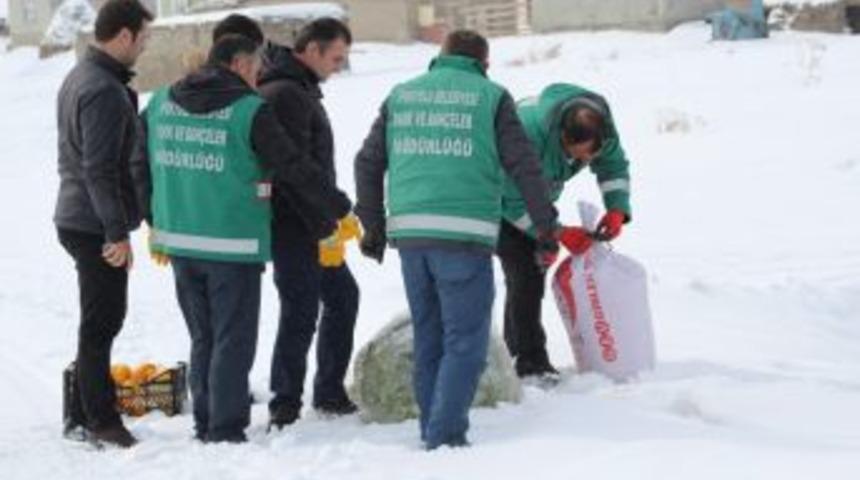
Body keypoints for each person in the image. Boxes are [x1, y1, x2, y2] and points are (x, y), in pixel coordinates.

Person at [353, 30, 558, 449]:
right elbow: (525, 166)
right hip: (463, 237)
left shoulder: (402, 95)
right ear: (483, 64)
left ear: (440, 58)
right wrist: (545, 229)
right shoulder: (490, 97)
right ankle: (444, 438)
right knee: (465, 342)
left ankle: (433, 429)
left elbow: (367, 160)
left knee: (429, 336)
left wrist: (372, 224)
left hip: (411, 236)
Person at [139, 34, 348, 443]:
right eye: (255, 67)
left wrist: (156, 220)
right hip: (232, 245)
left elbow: (137, 167)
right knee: (232, 339)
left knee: (204, 337)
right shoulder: (249, 111)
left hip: (181, 243)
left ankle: (206, 420)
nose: (258, 75)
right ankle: (225, 428)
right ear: (237, 64)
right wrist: (337, 207)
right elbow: (292, 165)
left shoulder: (160, 103)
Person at [54, 0, 152, 449]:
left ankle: (81, 411)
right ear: (125, 35)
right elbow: (98, 169)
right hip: (92, 223)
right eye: (144, 38)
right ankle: (101, 420)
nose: (145, 48)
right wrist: (116, 233)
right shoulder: (103, 90)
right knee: (102, 322)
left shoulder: (82, 76)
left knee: (97, 319)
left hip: (79, 216)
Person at [256, 18, 359, 429]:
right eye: (335, 57)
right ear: (311, 49)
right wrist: (328, 220)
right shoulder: (285, 93)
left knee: (340, 298)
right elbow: (292, 169)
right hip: (293, 223)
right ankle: (285, 403)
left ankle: (328, 391)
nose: (339, 66)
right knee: (300, 309)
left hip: (312, 220)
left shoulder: (297, 88)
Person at [498, 83, 632, 382]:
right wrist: (555, 232)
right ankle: (530, 365)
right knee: (525, 273)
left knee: (527, 279)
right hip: (495, 199)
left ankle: (516, 352)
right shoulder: (525, 133)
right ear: (561, 137)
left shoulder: (601, 128)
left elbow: (613, 166)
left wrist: (617, 209)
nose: (584, 161)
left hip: (538, 199)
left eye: (589, 156)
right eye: (577, 155)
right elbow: (509, 198)